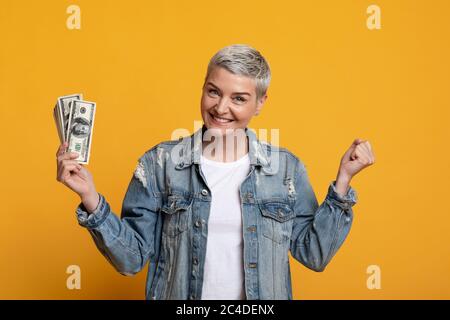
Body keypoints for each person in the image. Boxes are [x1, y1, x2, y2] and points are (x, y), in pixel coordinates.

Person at [56, 44, 375, 300]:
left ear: (261, 103)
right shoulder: (160, 164)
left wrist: (343, 183)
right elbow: (132, 259)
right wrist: (91, 199)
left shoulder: (286, 170)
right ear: (203, 88)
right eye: (213, 92)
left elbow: (313, 254)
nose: (222, 108)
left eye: (239, 98)